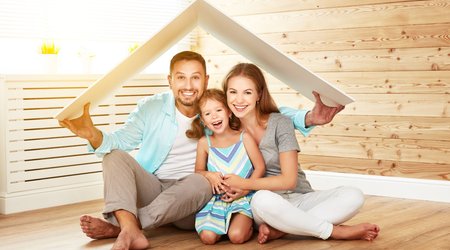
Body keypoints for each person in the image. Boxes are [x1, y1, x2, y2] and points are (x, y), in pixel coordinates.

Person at [58, 50, 344, 250]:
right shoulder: (152, 107)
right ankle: (131, 227)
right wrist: (92, 134)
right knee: (114, 157)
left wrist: (308, 118)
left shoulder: (217, 109)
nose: (188, 85)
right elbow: (119, 140)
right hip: (155, 186)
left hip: (195, 196)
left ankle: (125, 226)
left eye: (195, 77)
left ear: (206, 80)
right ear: (169, 81)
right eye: (180, 78)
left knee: (200, 178)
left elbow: (268, 112)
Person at [220, 63, 380, 244]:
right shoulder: (224, 129)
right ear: (225, 94)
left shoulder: (281, 122)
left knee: (354, 195)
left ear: (259, 95)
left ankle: (281, 229)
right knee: (261, 199)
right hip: (266, 206)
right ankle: (334, 231)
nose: (239, 100)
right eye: (233, 92)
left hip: (301, 197)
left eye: (247, 92)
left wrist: (244, 184)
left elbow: (289, 180)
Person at [186, 89, 265, 244]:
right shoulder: (204, 143)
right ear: (202, 120)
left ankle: (244, 225)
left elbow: (260, 167)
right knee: (207, 238)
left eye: (218, 110)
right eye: (207, 114)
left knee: (237, 237)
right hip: (217, 200)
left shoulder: (244, 138)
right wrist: (209, 175)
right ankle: (222, 225)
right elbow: (198, 171)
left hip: (243, 197)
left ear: (229, 112)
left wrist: (246, 189)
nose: (214, 116)